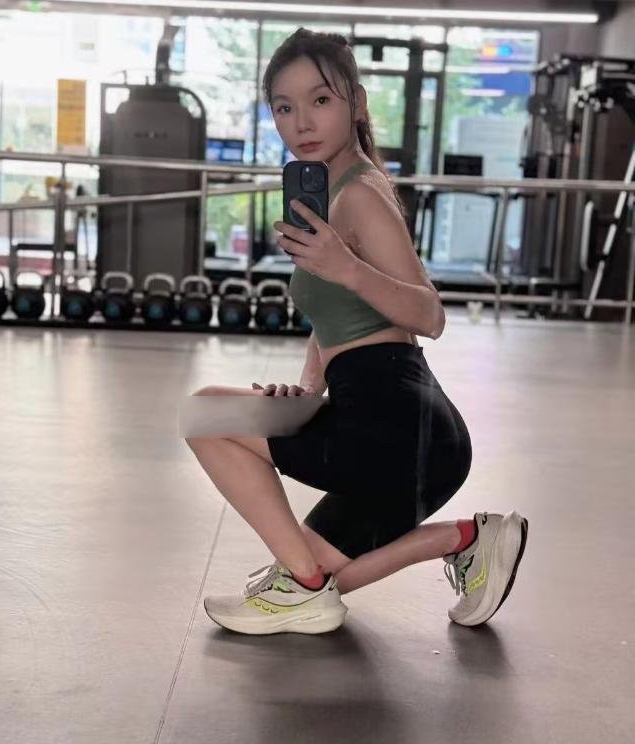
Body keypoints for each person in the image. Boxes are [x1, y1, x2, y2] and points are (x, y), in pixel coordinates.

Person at [185, 28, 528, 635]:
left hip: (393, 427)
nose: (301, 122)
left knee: (206, 414)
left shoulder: (362, 195)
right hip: (397, 425)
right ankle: (465, 540)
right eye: (284, 107)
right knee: (310, 566)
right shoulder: (330, 191)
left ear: (357, 104)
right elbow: (333, 315)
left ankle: (303, 588)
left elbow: (429, 315)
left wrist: (346, 266)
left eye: (320, 100)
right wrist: (309, 387)